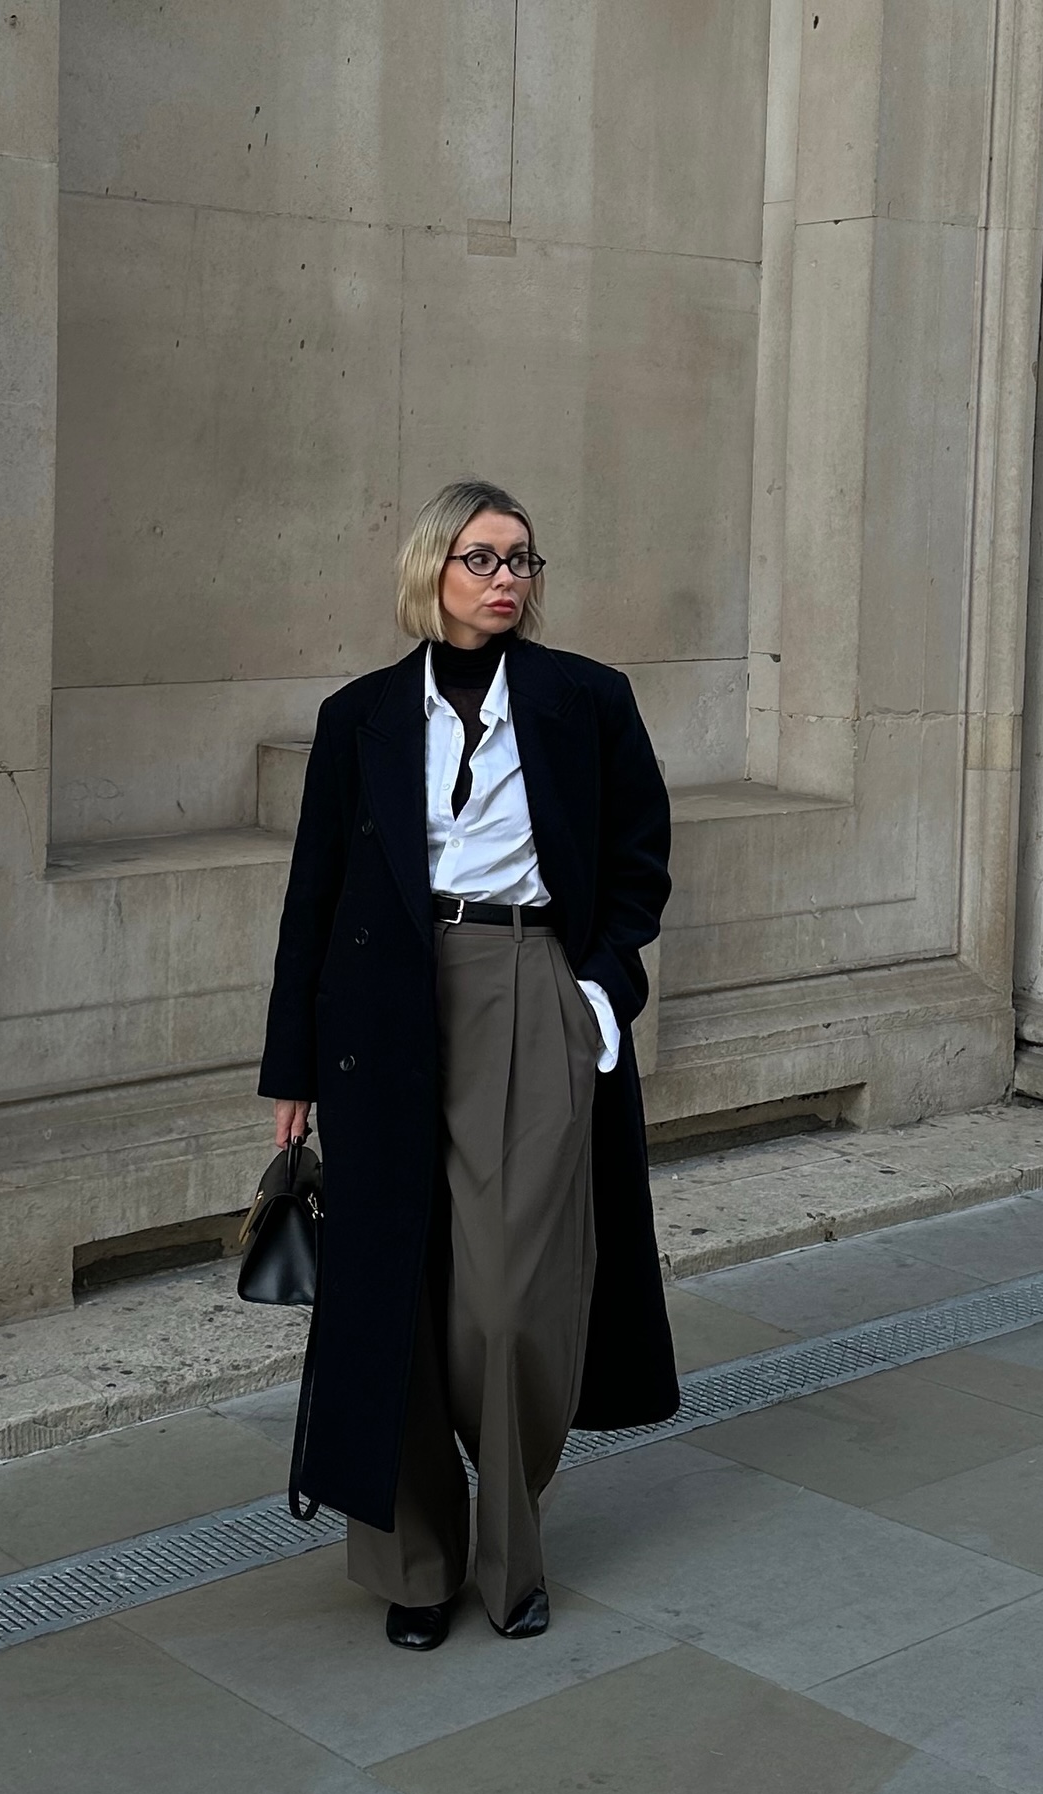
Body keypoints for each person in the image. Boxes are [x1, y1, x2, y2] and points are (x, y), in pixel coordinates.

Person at [258, 477, 679, 1649]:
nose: (508, 581)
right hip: (385, 1003)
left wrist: (596, 990)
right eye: (484, 559)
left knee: (509, 1305)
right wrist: (291, 1069)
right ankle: (415, 1567)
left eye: (524, 562)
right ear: (432, 570)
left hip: (529, 987)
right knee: (392, 1284)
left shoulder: (586, 699)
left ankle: (512, 1547)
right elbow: (312, 900)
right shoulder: (360, 719)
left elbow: (641, 859)